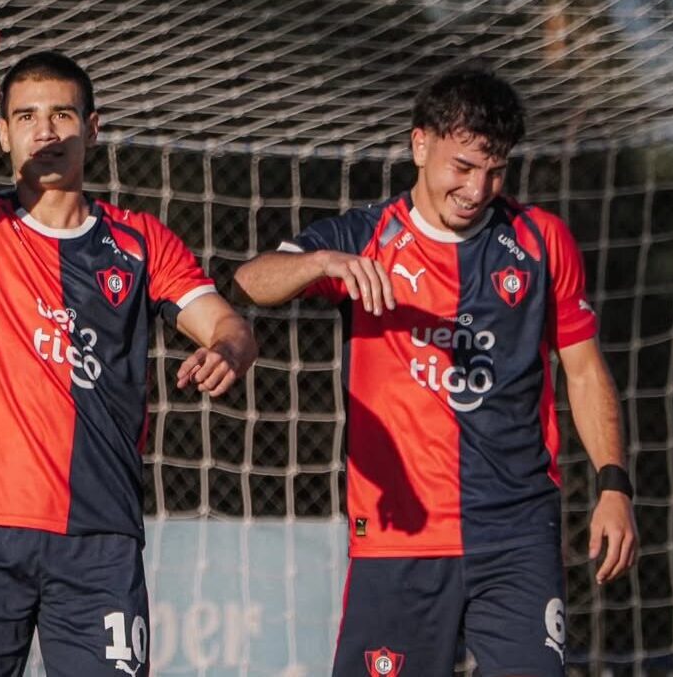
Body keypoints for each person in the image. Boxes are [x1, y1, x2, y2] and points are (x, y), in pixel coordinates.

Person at [234, 68, 637, 677]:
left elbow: (583, 371)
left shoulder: (541, 241)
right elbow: (249, 282)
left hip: (516, 534)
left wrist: (614, 485)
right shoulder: (363, 235)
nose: (478, 189)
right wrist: (322, 262)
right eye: (463, 167)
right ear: (420, 145)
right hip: (401, 538)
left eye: (495, 169)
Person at [0, 31, 257, 676]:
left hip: (100, 540)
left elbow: (225, 324)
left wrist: (228, 348)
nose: (45, 131)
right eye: (26, 117)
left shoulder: (142, 242)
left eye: (61, 114)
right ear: (3, 134)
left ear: (91, 130)